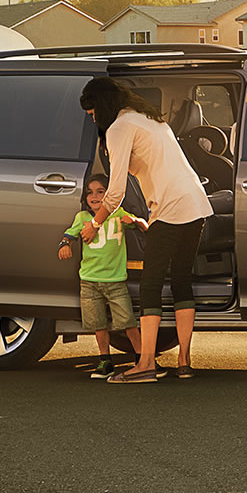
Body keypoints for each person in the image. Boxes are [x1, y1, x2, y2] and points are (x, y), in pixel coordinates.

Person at [80, 76, 214, 383]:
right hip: (195, 203)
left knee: (151, 285)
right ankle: (184, 362)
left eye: (92, 114)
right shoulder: (150, 119)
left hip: (171, 208)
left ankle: (146, 364)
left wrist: (94, 223)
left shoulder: (119, 128)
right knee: (181, 280)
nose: (93, 120)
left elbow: (115, 193)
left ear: (101, 106)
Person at [58, 174, 148, 378]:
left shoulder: (118, 214)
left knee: (128, 323)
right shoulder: (82, 218)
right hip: (89, 281)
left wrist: (134, 220)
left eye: (100, 191)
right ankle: (105, 361)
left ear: (110, 195)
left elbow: (144, 226)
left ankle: (142, 357)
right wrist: (65, 245)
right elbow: (69, 234)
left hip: (115, 281)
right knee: (98, 324)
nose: (94, 197)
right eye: (90, 193)